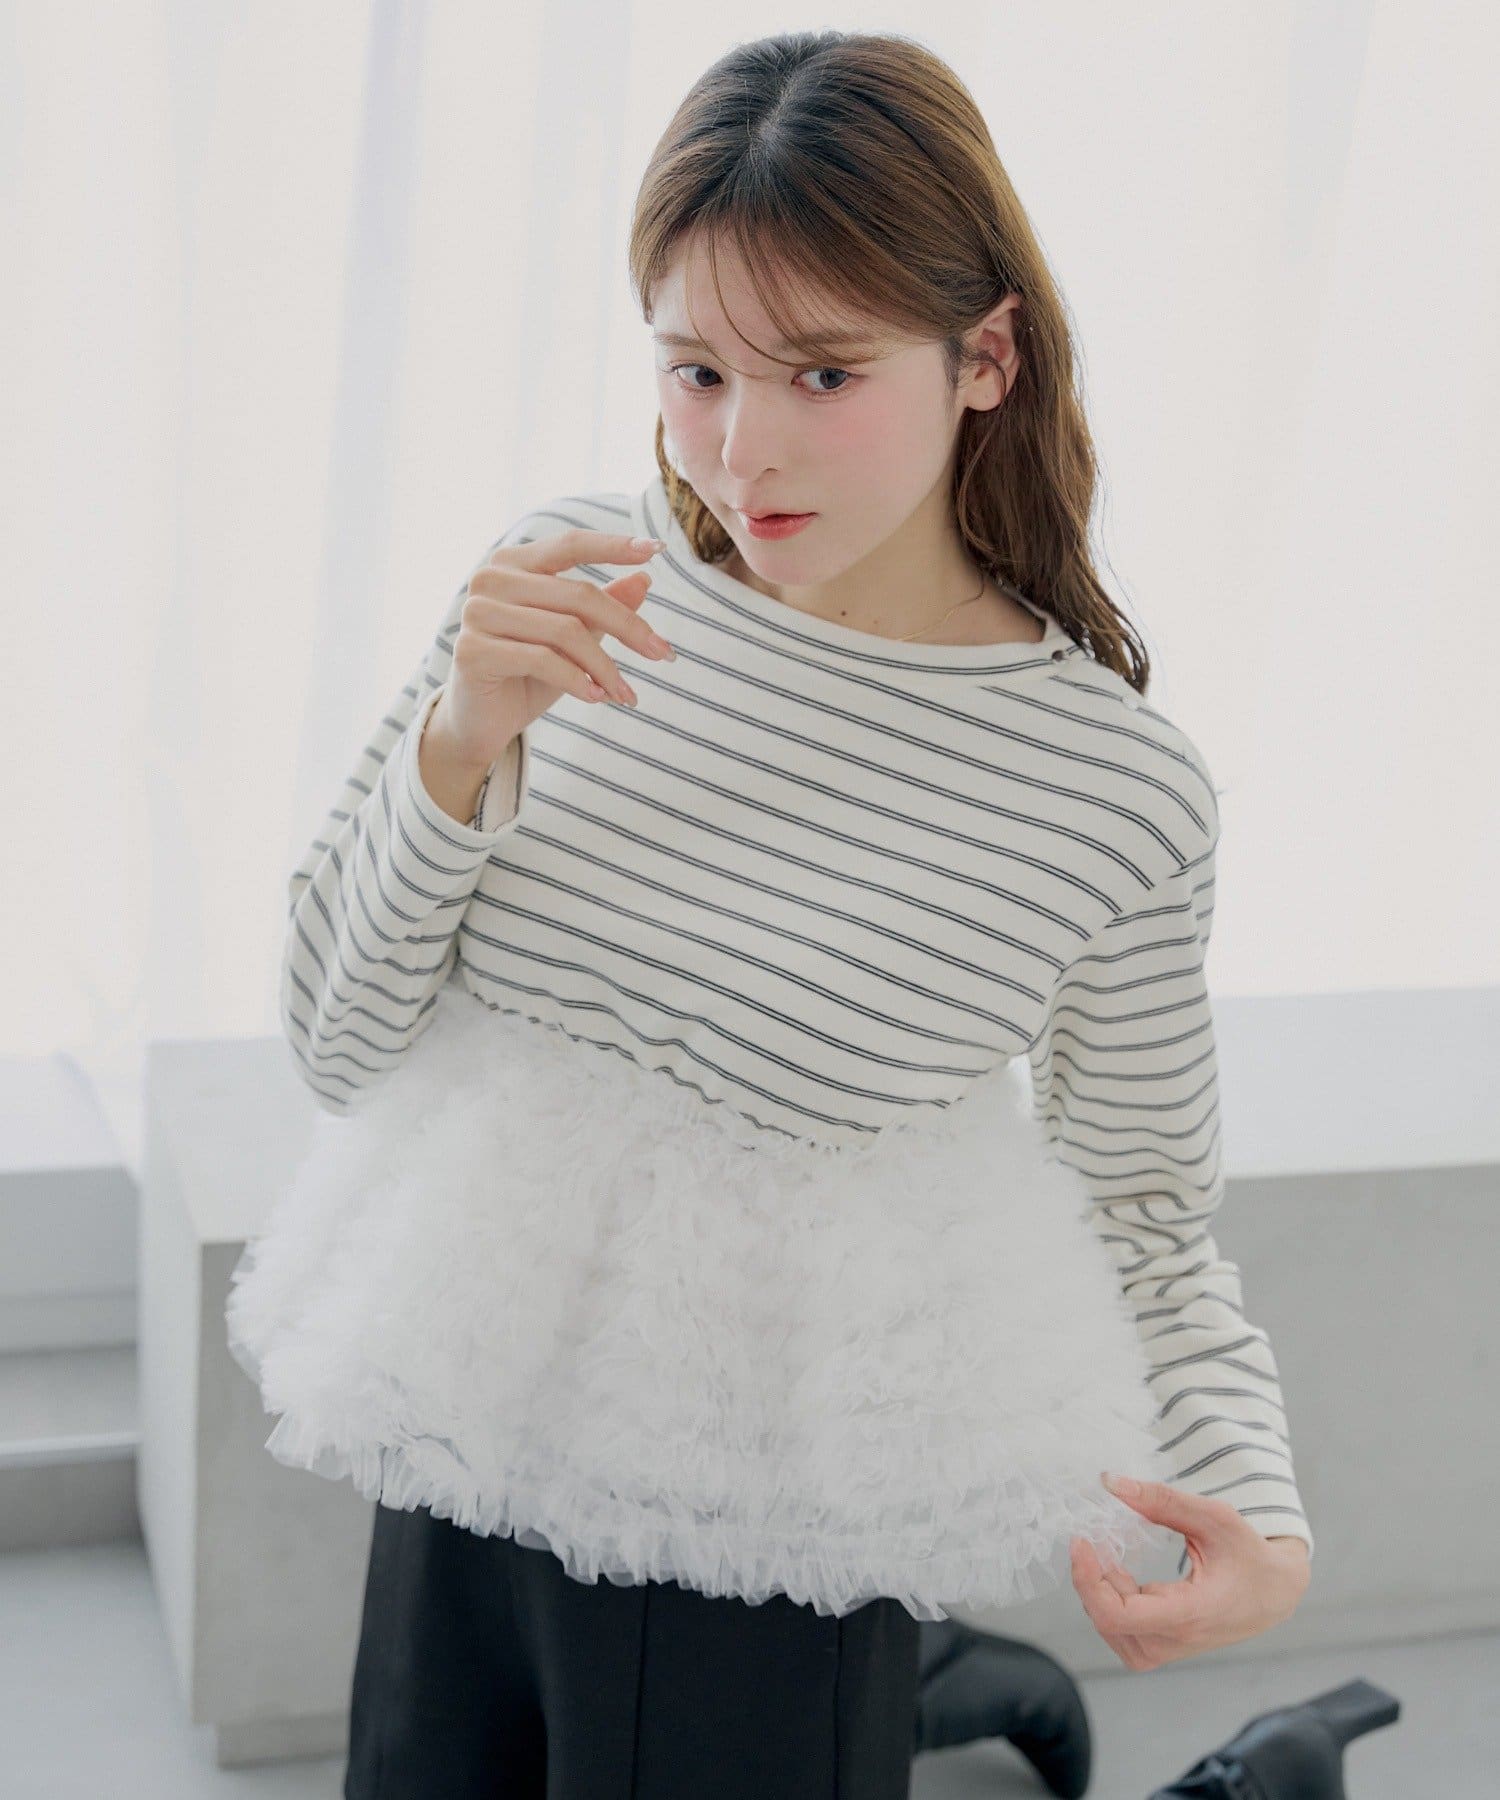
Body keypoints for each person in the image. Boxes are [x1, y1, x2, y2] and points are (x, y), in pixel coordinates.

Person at [226, 29, 1318, 1799]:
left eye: (823, 372)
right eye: (696, 371)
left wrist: (1256, 1509)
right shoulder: (567, 589)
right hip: (466, 1449)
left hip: (768, 1524)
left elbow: (1140, 1200)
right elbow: (339, 1045)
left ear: (985, 358)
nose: (744, 451)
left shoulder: (1106, 787)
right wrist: (461, 744)